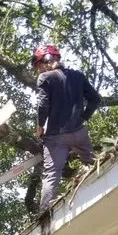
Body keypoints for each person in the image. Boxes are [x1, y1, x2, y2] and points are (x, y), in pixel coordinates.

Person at [31, 44, 102, 214]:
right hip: (79, 132)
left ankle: (45, 213)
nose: (39, 69)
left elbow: (43, 105)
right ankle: (104, 183)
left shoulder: (45, 78)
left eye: (39, 65)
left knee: (52, 174)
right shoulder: (77, 76)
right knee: (92, 162)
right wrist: (83, 118)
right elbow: (95, 99)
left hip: (56, 137)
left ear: (45, 61)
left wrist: (40, 126)